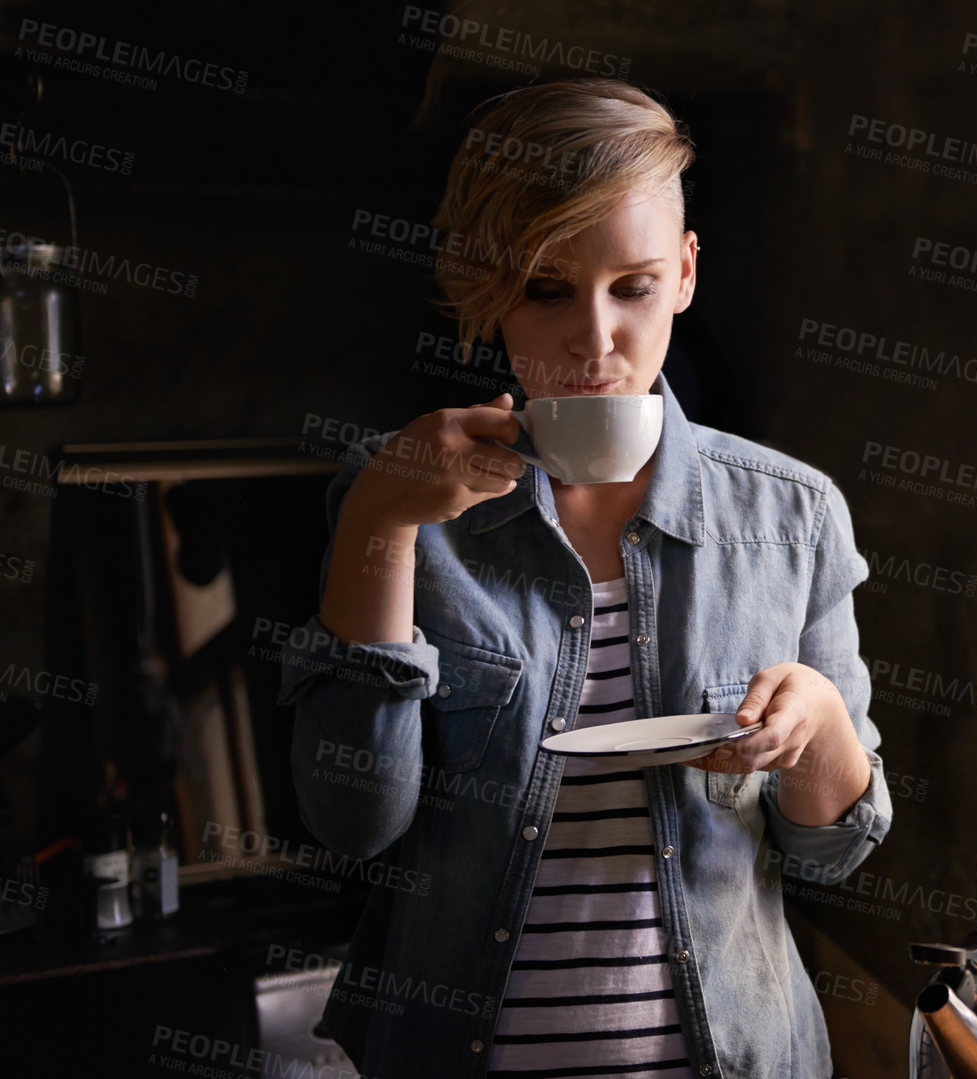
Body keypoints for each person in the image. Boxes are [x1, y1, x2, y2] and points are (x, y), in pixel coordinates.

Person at [278, 78, 891, 1079]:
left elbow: (832, 852)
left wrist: (819, 724)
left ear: (686, 274)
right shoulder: (396, 498)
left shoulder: (793, 515)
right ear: (487, 289)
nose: (594, 341)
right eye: (547, 288)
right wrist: (380, 522)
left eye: (634, 286)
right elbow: (354, 821)